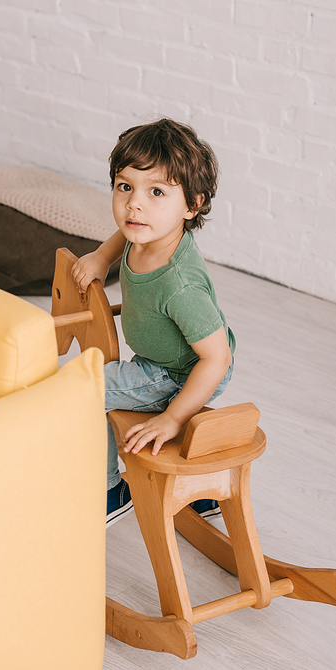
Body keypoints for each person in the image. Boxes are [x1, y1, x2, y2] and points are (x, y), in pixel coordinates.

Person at [72, 118, 236, 526]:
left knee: (83, 390)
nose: (134, 204)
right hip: (165, 361)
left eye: (156, 191)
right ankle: (196, 498)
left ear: (192, 205)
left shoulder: (180, 286)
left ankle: (110, 492)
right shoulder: (146, 229)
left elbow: (216, 359)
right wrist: (101, 257)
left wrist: (173, 416)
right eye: (125, 186)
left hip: (177, 373)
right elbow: (123, 235)